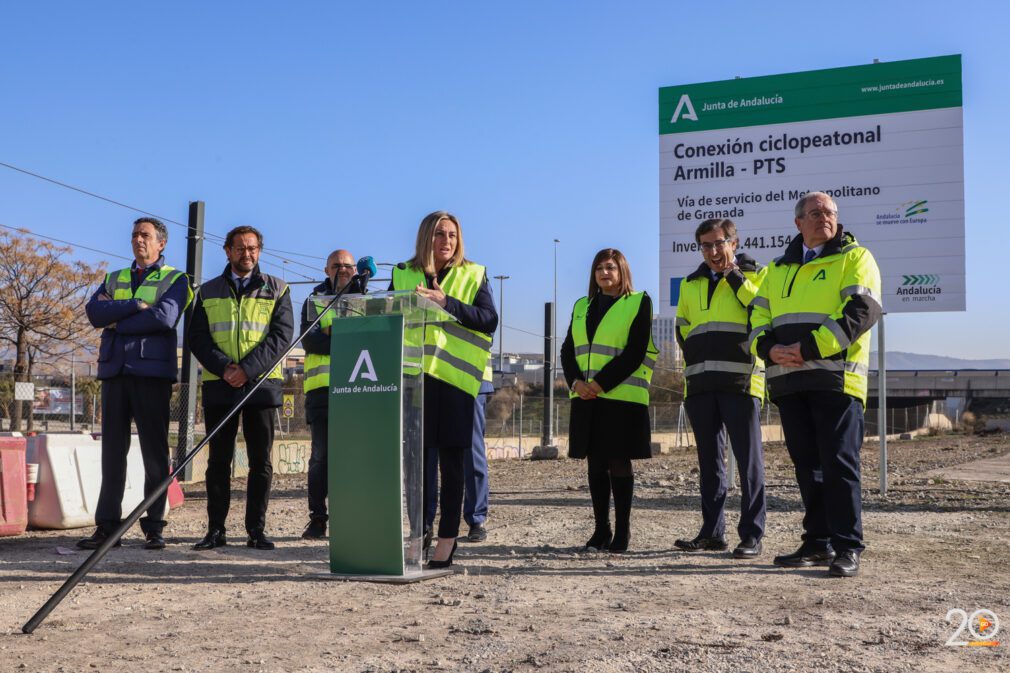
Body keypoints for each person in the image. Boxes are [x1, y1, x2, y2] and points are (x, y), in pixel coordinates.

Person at [750, 192, 881, 577]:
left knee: (839, 464)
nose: (825, 217)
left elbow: (862, 311)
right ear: (798, 223)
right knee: (808, 466)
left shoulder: (855, 257)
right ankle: (817, 542)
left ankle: (847, 546)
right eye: (815, 212)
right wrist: (769, 349)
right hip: (789, 382)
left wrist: (806, 348)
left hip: (835, 380)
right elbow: (759, 317)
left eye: (830, 212)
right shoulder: (776, 270)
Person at [391, 211, 497, 568]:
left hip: (455, 383)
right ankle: (418, 533)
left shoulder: (474, 273)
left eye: (452, 235)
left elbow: (489, 320)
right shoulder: (402, 273)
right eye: (439, 234)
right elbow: (386, 318)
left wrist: (446, 303)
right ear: (426, 237)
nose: (447, 241)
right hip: (414, 380)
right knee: (418, 466)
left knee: (453, 467)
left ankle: (448, 539)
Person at [78, 217, 192, 550]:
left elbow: (164, 318)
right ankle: (107, 527)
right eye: (134, 235)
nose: (138, 240)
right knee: (113, 453)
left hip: (151, 374)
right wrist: (133, 306)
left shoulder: (176, 279)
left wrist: (116, 320)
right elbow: (94, 314)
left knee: (154, 454)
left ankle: (154, 526)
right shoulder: (114, 277)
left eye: (145, 235)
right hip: (115, 371)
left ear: (161, 243)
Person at [189, 225, 294, 551]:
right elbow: (197, 337)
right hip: (220, 387)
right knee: (218, 461)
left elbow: (282, 335)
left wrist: (246, 370)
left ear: (259, 251)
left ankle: (256, 531)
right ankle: (215, 531)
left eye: (252, 248)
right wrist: (224, 369)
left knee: (260, 461)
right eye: (240, 248)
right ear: (227, 251)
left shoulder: (277, 288)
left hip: (260, 386)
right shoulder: (207, 291)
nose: (246, 254)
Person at [674, 219, 768, 558]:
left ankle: (752, 534)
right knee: (709, 462)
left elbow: (760, 311)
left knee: (748, 461)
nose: (713, 251)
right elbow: (682, 329)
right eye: (706, 245)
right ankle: (712, 532)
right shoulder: (689, 284)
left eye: (719, 243)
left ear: (734, 241)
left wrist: (735, 277)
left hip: (740, 381)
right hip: (700, 383)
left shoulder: (757, 276)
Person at [560, 249, 657, 553]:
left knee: (618, 461)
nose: (604, 273)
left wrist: (599, 384)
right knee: (595, 464)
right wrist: (576, 382)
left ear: (622, 271)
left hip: (621, 397)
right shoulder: (581, 306)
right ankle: (601, 529)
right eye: (599, 268)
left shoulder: (638, 302)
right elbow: (567, 350)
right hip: (586, 397)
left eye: (611, 267)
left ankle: (623, 533)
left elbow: (635, 352)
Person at [300, 249, 366, 539]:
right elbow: (310, 341)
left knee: (355, 456)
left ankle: (353, 516)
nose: (343, 270)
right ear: (326, 270)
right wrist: (347, 335)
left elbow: (371, 338)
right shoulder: (314, 300)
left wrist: (331, 333)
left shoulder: (368, 301)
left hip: (360, 389)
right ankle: (318, 518)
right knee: (321, 457)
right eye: (336, 265)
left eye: (348, 266)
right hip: (322, 390)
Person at [463, 370, 494, 542]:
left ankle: (477, 520)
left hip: (473, 378)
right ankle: (424, 523)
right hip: (434, 378)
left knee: (473, 453)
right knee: (427, 455)